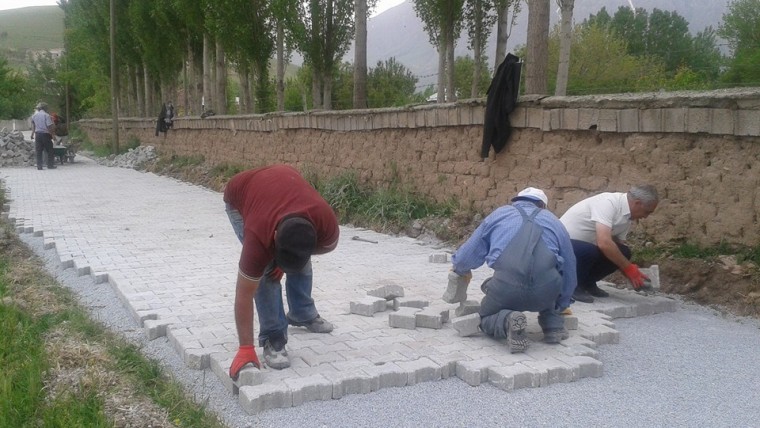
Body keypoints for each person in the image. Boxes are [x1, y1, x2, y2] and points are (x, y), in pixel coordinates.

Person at [224, 164, 340, 379]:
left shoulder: (327, 227)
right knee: (267, 272)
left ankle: (302, 313)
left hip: (281, 184)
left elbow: (299, 249)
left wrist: (284, 261)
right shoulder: (258, 234)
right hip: (240, 195)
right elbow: (244, 293)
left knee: (299, 254)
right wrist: (245, 349)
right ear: (275, 235)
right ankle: (273, 336)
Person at [449, 187, 577, 353]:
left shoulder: (500, 214)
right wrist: (562, 304)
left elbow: (466, 257)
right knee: (549, 282)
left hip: (506, 289)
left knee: (485, 318)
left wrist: (458, 269)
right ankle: (553, 327)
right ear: (542, 205)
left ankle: (507, 320)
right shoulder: (553, 221)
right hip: (545, 292)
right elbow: (570, 267)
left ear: (517, 201)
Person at [559, 185, 659, 304]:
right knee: (590, 251)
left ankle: (587, 282)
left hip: (584, 246)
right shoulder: (608, 203)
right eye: (646, 212)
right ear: (637, 203)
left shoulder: (627, 217)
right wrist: (629, 269)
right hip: (562, 245)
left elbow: (616, 247)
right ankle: (572, 285)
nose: (645, 216)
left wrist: (630, 274)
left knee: (624, 252)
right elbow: (604, 243)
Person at [30, 102, 56, 170]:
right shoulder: (46, 115)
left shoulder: (34, 116)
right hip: (45, 135)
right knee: (50, 150)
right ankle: (50, 165)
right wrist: (53, 135)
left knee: (39, 151)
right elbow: (49, 126)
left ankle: (39, 166)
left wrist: (32, 133)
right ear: (45, 108)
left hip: (37, 135)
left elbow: (33, 125)